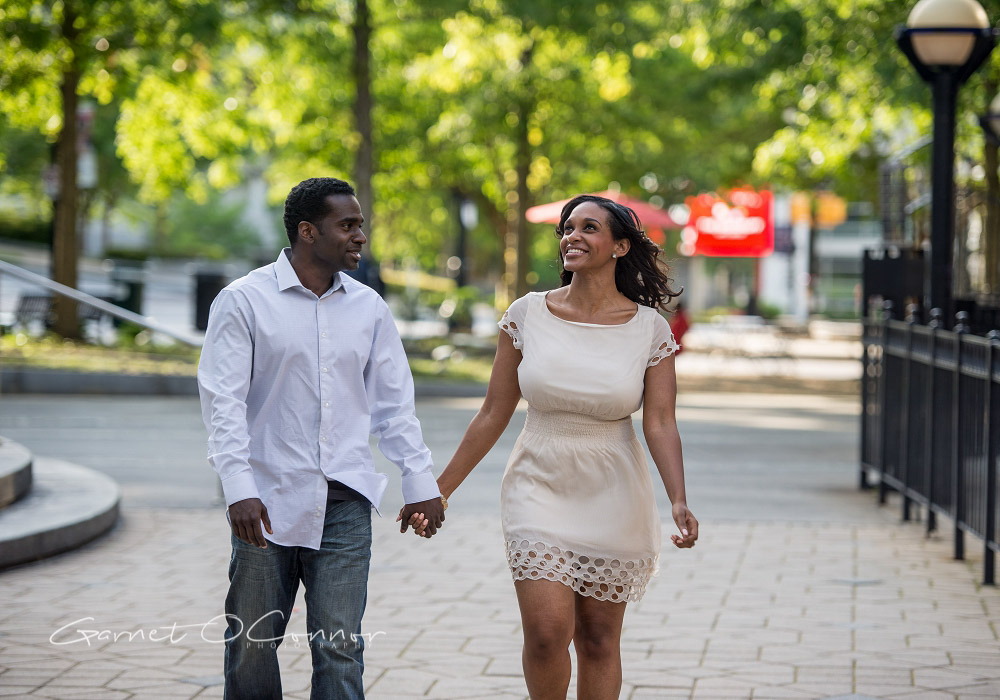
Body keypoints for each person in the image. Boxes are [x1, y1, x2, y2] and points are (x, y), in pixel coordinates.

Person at [406, 194, 698, 699]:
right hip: (537, 478)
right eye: (568, 228)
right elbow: (492, 413)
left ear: (620, 247)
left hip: (614, 487)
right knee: (546, 635)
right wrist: (439, 491)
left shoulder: (649, 327)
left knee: (600, 639)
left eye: (589, 228)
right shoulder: (527, 314)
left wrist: (677, 498)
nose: (572, 236)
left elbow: (661, 422)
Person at [198, 177, 445, 700]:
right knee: (253, 643)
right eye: (347, 225)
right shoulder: (243, 301)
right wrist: (237, 486)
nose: (360, 237)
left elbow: (394, 406)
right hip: (266, 503)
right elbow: (223, 403)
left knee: (340, 646)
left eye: (361, 225)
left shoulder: (369, 308)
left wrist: (420, 481)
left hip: (346, 504)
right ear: (308, 231)